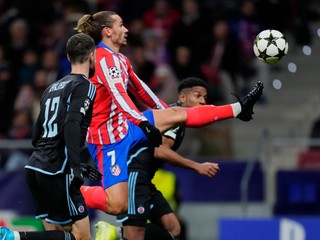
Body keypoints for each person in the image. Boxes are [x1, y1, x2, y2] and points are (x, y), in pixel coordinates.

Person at [75, 10, 264, 218]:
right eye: (121, 25)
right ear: (108, 31)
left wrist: (164, 110)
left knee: (177, 114)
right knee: (118, 206)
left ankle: (239, 109)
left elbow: (140, 90)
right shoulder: (101, 57)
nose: (126, 29)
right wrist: (143, 122)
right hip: (107, 141)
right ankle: (74, 191)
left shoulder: (120, 59)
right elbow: (119, 95)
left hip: (126, 126)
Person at [0, 33, 101, 240]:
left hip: (35, 167)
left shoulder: (51, 88)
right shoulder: (85, 85)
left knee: (56, 234)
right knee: (82, 237)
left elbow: (37, 135)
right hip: (58, 169)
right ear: (92, 56)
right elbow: (72, 124)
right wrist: (75, 165)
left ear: (67, 55)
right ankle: (14, 237)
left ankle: (14, 237)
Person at [95, 77, 221, 240]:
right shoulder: (173, 118)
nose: (203, 102)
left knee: (174, 228)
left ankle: (119, 233)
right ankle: (113, 231)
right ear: (182, 98)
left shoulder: (176, 117)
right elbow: (159, 150)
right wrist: (197, 166)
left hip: (145, 179)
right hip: (133, 174)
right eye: (198, 96)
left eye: (205, 98)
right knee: (135, 237)